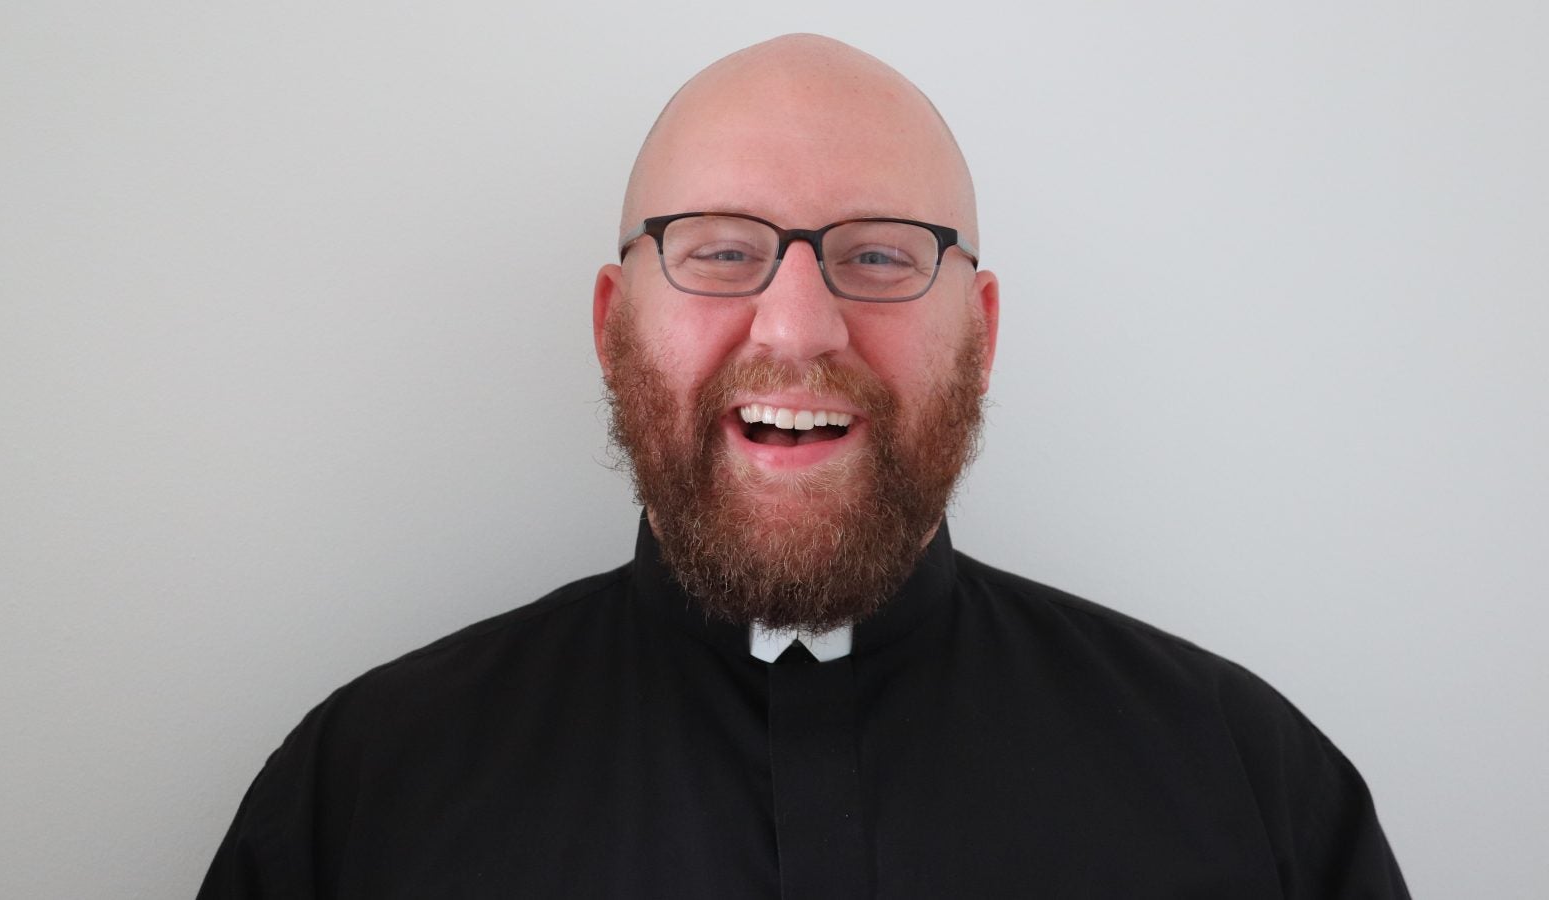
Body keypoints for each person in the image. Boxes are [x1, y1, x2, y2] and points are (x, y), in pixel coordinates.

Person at [199, 35, 1409, 899]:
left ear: (979, 333)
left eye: (879, 258)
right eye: (719, 250)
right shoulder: (359, 799)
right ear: (612, 322)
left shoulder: (1249, 785)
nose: (796, 326)